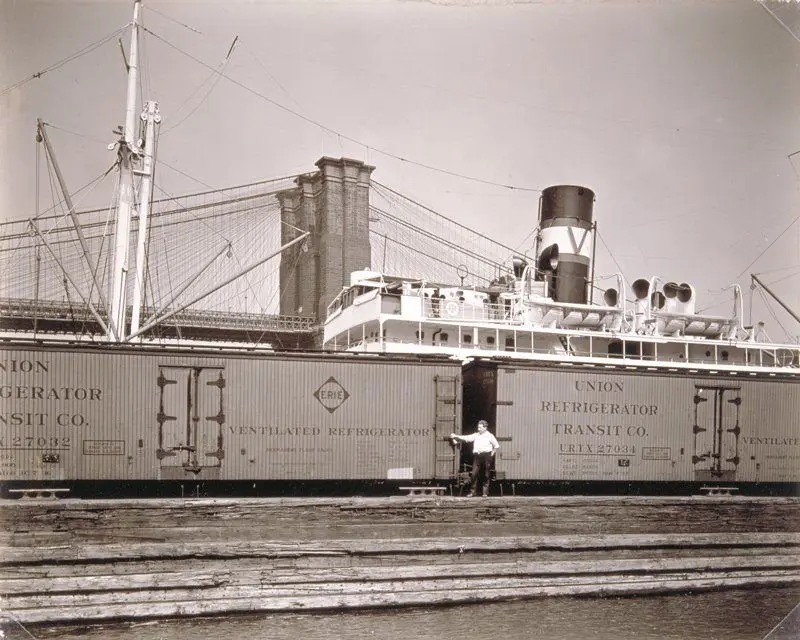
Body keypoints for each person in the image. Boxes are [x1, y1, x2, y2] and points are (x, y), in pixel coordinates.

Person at [450, 420, 500, 497]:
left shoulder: (490, 436)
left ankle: (485, 493)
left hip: (486, 456)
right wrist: (456, 436)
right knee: (474, 474)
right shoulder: (476, 435)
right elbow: (467, 438)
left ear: (485, 428)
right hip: (477, 456)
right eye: (478, 427)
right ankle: (473, 492)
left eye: (480, 427)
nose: (478, 429)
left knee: (486, 475)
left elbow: (496, 445)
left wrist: (491, 454)